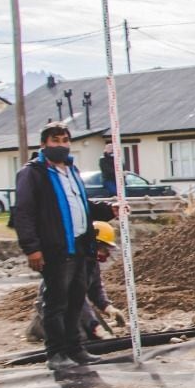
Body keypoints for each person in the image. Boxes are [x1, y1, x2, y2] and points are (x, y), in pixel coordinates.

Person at [13, 124, 116, 372]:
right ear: (44, 145)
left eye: (65, 140)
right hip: (55, 248)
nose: (61, 145)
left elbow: (82, 204)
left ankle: (76, 348)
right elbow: (23, 213)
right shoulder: (33, 174)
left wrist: (107, 209)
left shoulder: (71, 170)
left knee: (75, 300)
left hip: (80, 246)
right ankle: (56, 353)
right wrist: (32, 248)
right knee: (56, 302)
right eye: (55, 140)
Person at [28, 220, 127, 341]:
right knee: (80, 338)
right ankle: (39, 327)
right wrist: (94, 326)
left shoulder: (92, 263)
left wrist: (108, 308)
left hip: (76, 304)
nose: (106, 253)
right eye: (104, 249)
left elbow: (95, 289)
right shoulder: (72, 262)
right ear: (94, 244)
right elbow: (75, 294)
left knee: (102, 334)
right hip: (56, 302)